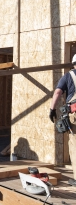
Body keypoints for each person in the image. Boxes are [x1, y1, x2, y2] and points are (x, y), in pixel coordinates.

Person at [50, 54, 76, 186]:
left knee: (75, 145)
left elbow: (57, 93)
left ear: (73, 64)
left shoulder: (68, 76)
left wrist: (52, 109)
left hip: (75, 113)